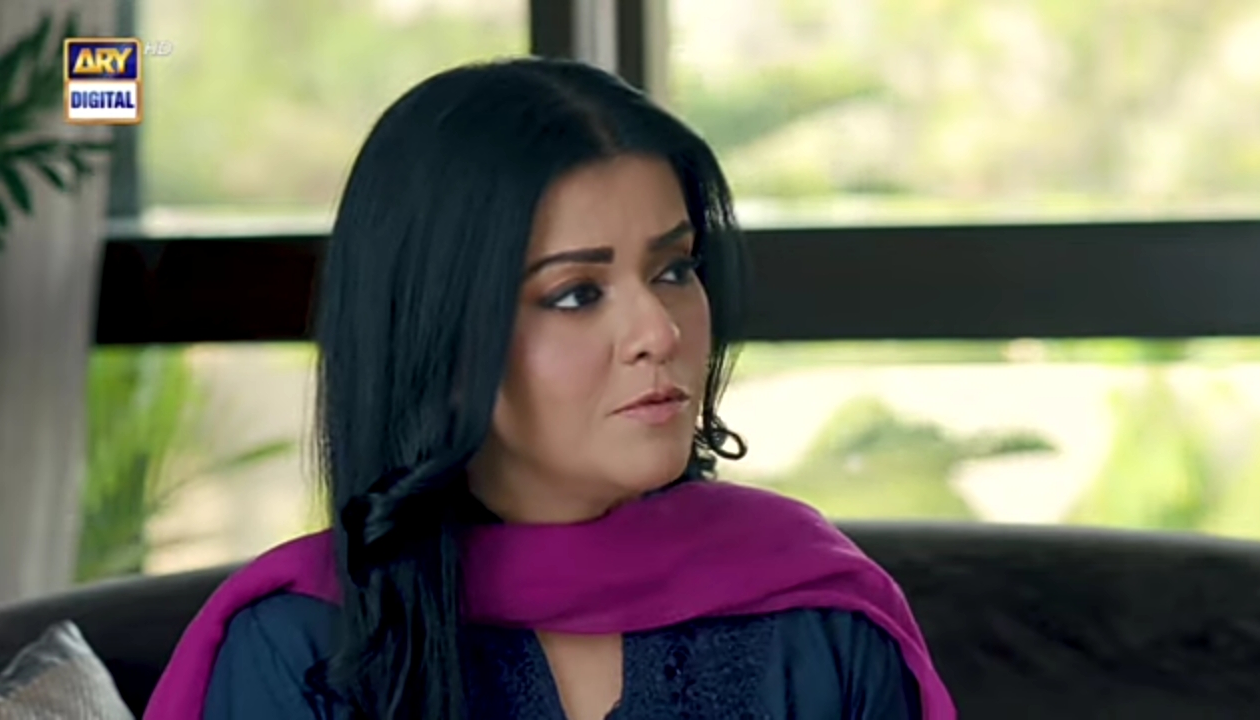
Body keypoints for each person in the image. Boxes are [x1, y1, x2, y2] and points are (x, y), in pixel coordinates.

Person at [143, 57, 956, 720]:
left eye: (674, 270)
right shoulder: (303, 644)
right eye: (576, 294)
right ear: (439, 340)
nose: (660, 332)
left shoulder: (818, 615)